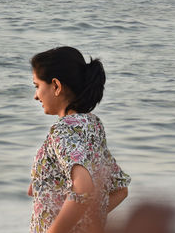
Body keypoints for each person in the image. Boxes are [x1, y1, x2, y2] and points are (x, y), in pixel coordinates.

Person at [28, 46, 131, 233]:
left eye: (37, 86)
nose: (36, 96)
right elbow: (119, 190)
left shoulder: (62, 130)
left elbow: (83, 187)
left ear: (56, 86)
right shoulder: (93, 125)